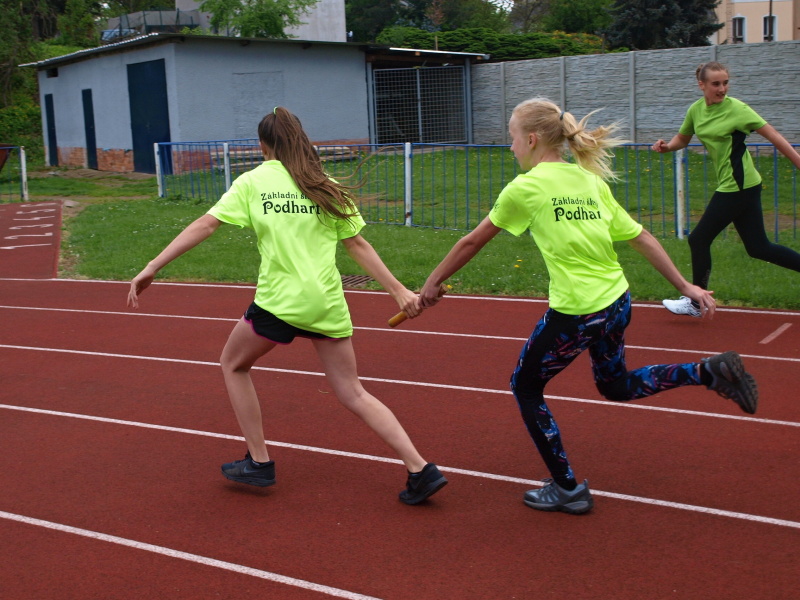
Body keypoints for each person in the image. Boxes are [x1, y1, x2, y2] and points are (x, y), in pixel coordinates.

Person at [419, 98, 758, 515]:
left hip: (578, 312)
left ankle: (566, 489)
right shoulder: (589, 181)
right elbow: (641, 237)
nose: (510, 147)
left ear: (531, 139)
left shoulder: (526, 187)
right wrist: (685, 285)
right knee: (615, 386)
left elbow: (472, 241)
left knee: (525, 387)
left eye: (512, 138)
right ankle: (706, 372)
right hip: (616, 302)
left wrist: (431, 283)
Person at [128, 107, 447, 505]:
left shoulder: (254, 181)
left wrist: (153, 265)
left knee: (233, 364)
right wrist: (399, 292)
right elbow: (356, 244)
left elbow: (206, 224)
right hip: (325, 303)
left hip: (278, 302)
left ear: (263, 145)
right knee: (353, 392)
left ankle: (259, 461)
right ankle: (420, 468)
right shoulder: (324, 184)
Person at [653, 61, 800, 317]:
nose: (722, 89)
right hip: (739, 185)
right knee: (759, 248)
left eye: (725, 83)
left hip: (738, 186)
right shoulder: (696, 110)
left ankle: (696, 302)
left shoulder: (738, 109)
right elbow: (683, 139)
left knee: (698, 239)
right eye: (716, 84)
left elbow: (774, 135)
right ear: (702, 85)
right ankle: (697, 302)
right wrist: (667, 147)